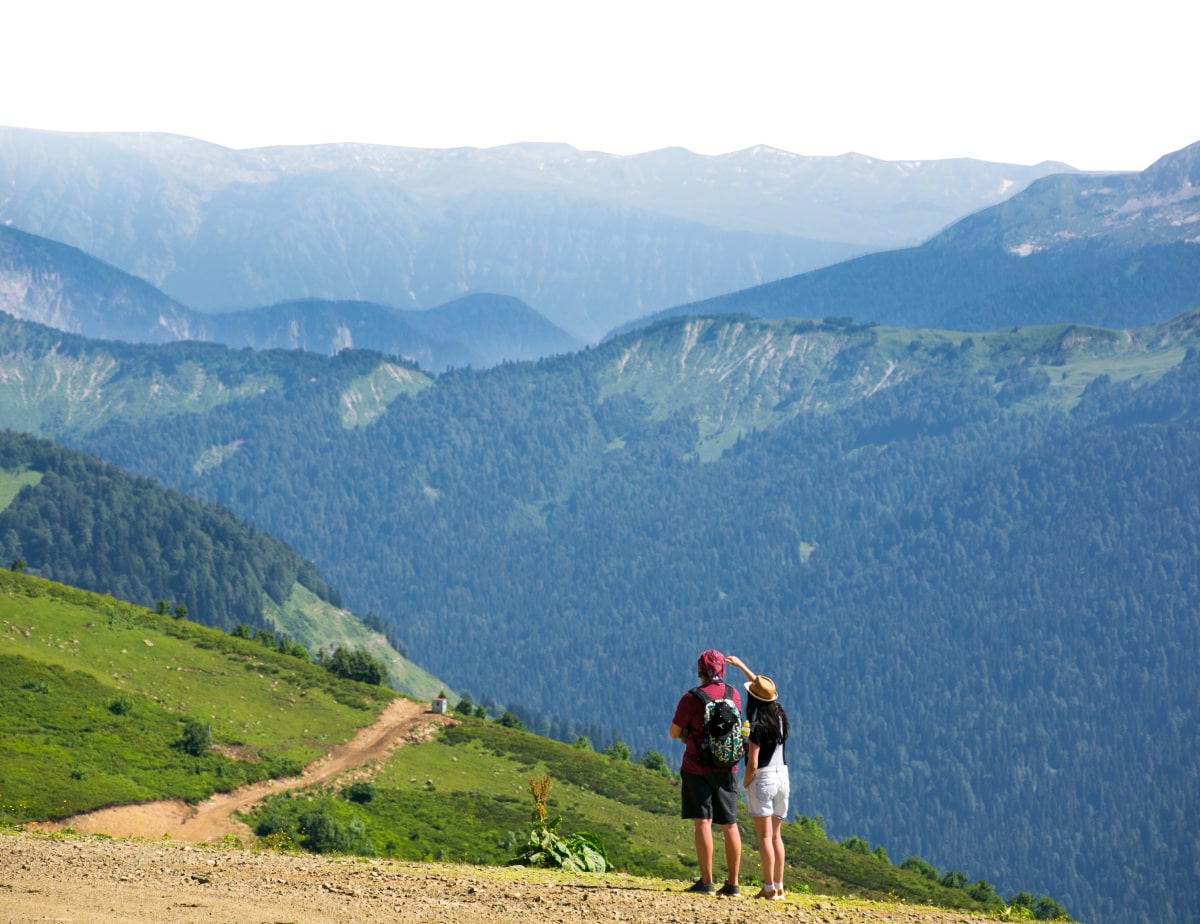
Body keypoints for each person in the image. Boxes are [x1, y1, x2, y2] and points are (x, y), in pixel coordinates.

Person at [669, 649, 742, 896]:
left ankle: (707, 881)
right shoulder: (734, 695)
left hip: (696, 768)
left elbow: (673, 733)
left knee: (703, 822)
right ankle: (733, 884)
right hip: (727, 768)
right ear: (722, 669)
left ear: (700, 671)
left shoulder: (691, 698)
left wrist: (690, 733)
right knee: (730, 825)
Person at [726, 654, 789, 901]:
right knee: (776, 836)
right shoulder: (780, 716)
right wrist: (743, 667)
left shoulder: (757, 725)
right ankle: (780, 886)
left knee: (764, 837)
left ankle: (767, 887)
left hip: (762, 778)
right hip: (783, 776)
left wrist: (745, 781)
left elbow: (752, 762)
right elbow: (763, 691)